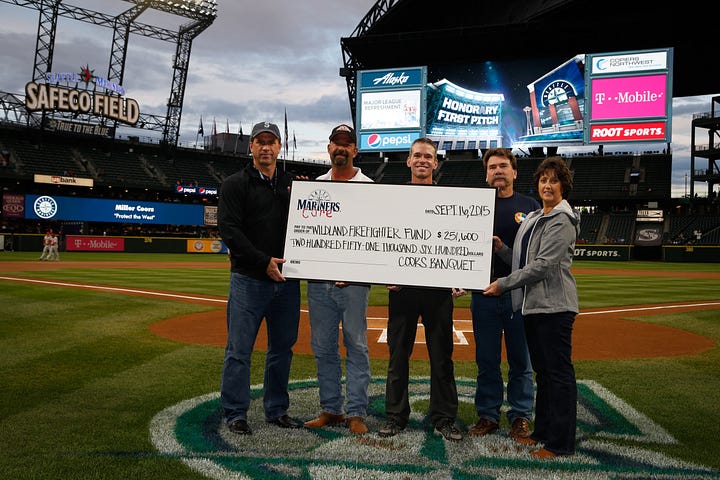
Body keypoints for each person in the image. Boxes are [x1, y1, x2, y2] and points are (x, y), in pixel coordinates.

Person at [483, 156, 580, 458]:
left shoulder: (562, 219)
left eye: (554, 180)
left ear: (563, 185)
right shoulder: (537, 216)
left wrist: (503, 284)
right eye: (544, 180)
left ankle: (560, 442)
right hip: (534, 307)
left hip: (555, 307)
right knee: (545, 374)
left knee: (558, 375)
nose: (548, 185)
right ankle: (544, 432)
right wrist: (503, 249)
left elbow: (542, 267)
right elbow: (523, 260)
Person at [217, 121, 303, 435]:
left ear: (280, 147)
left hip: (287, 281)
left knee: (282, 349)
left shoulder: (294, 185)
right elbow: (229, 231)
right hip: (249, 280)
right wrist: (263, 261)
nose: (266, 147)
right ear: (251, 147)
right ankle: (235, 413)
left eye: (272, 141)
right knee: (239, 350)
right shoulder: (234, 184)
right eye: (260, 141)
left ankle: (276, 410)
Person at [378, 137, 466, 442]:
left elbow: (456, 242)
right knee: (397, 355)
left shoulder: (449, 200)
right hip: (402, 290)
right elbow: (383, 238)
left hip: (438, 291)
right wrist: (386, 272)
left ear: (435, 163)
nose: (422, 160)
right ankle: (395, 416)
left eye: (428, 156)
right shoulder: (392, 198)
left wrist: (460, 275)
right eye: (417, 155)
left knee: (442, 357)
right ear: (408, 161)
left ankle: (443, 417)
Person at [304, 124, 373, 435]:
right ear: (329, 148)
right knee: (322, 347)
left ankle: (356, 412)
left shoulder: (370, 186)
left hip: (354, 284)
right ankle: (331, 409)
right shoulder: (314, 187)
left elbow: (376, 239)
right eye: (336, 143)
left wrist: (357, 270)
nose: (341, 148)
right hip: (319, 281)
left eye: (347, 144)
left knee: (356, 345)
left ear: (355, 150)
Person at [468, 148, 539, 441]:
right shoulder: (474, 205)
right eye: (492, 167)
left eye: (503, 166)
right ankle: (488, 415)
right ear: (486, 174)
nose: (498, 170)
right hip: (483, 291)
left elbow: (533, 259)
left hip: (517, 293)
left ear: (514, 172)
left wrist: (502, 251)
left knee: (521, 362)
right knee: (487, 360)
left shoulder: (530, 206)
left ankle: (520, 416)